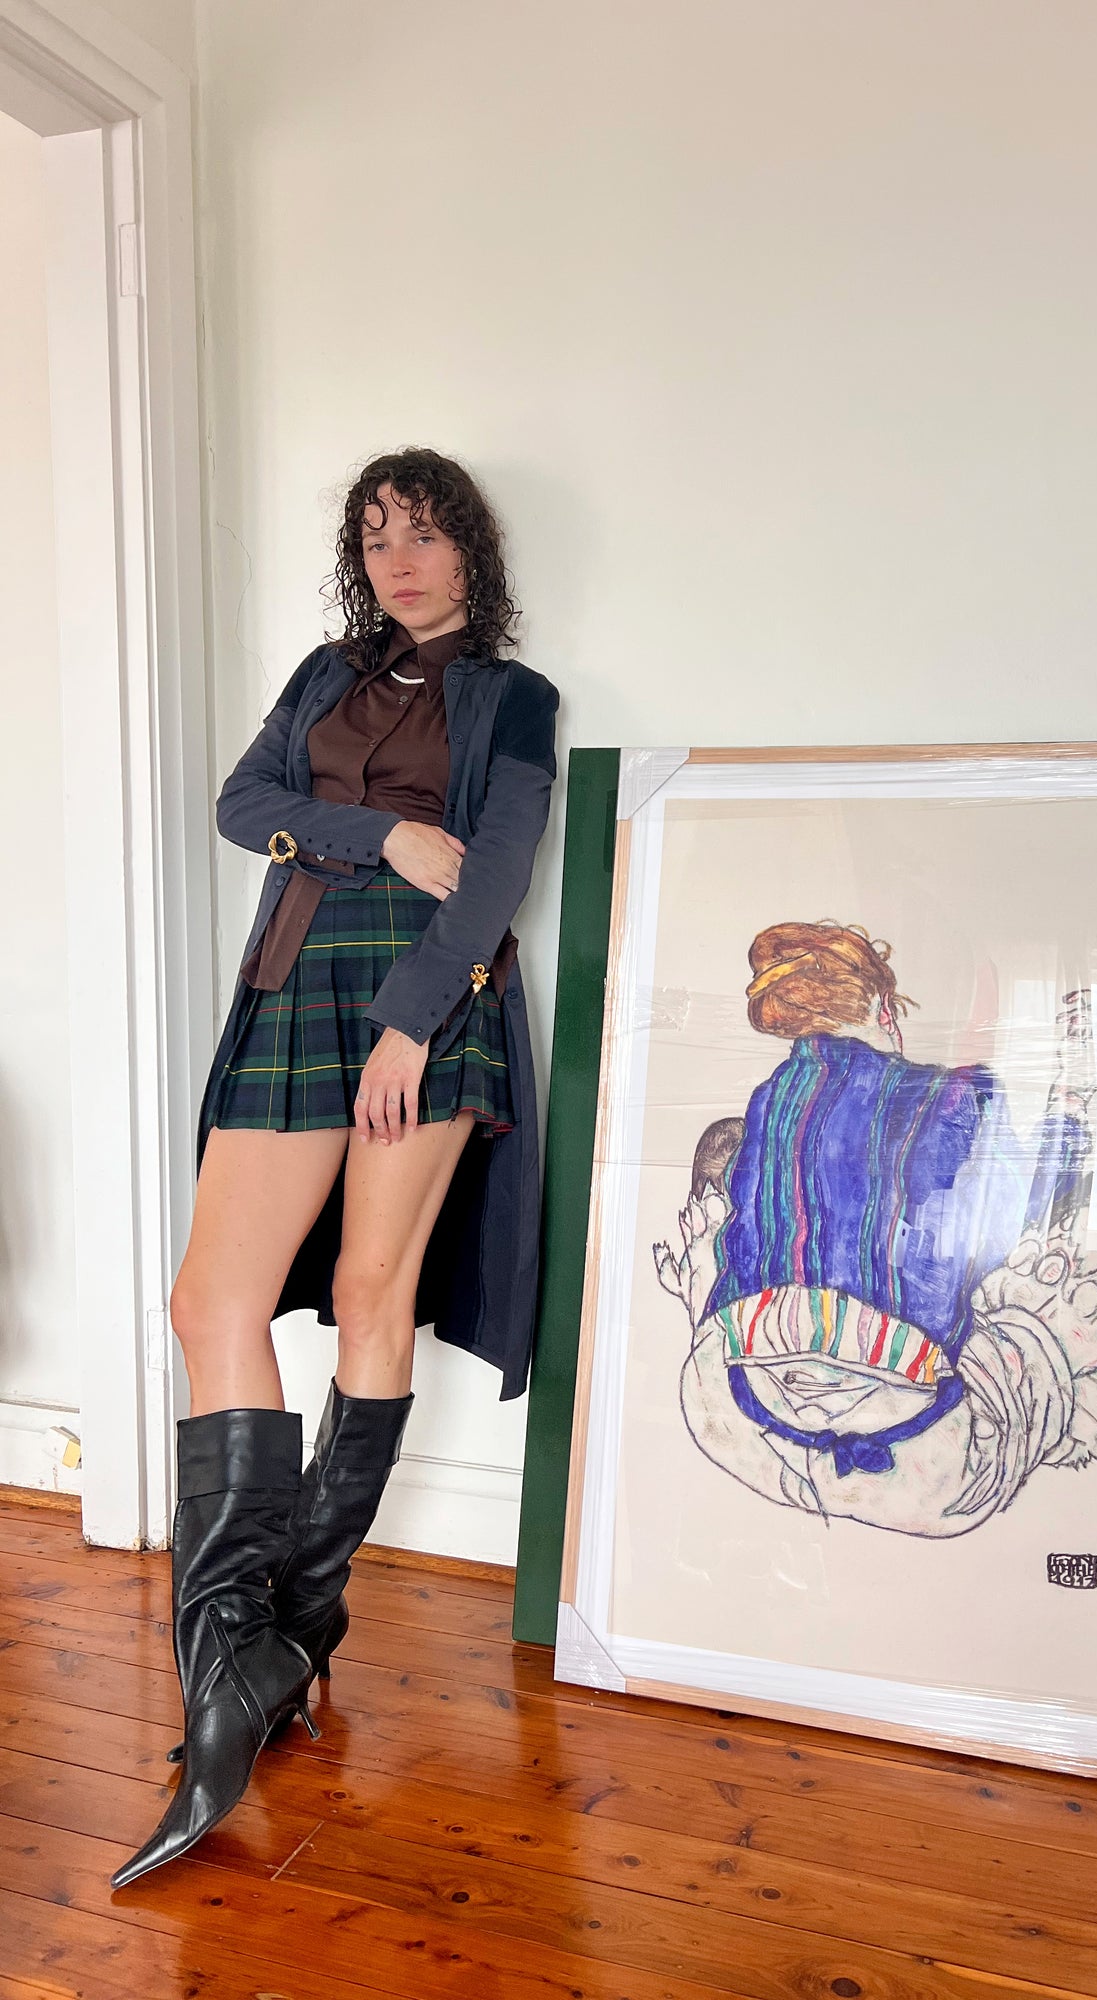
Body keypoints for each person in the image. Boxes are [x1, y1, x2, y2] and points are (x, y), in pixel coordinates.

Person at [112, 450, 558, 1889]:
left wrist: (412, 1024)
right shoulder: (322, 677)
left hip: (427, 998)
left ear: (469, 550)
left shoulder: (515, 699)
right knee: (210, 1302)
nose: (398, 560)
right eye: (374, 539)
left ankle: (297, 1623)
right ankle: (238, 1654)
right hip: (296, 980)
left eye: (423, 533)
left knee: (373, 1291)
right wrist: (387, 834)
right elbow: (245, 804)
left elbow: (497, 872)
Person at [655, 922, 1097, 1535]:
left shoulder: (770, 1098)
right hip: (928, 1453)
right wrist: (1071, 1104)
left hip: (737, 1415)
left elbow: (745, 1245)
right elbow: (1022, 1218)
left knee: (727, 1149)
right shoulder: (957, 1097)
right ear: (883, 1009)